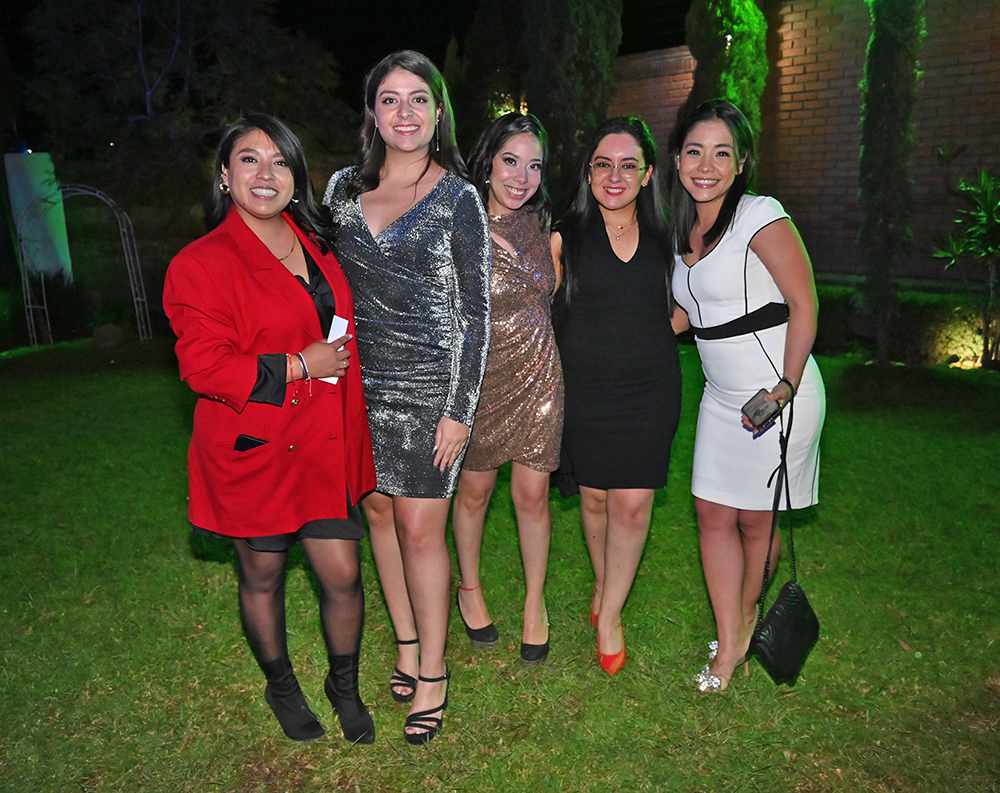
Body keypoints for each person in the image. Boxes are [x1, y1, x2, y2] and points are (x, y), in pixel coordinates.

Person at [163, 114, 377, 743]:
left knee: (343, 574)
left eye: (280, 161)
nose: (266, 173)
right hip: (256, 446)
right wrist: (297, 365)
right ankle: (281, 684)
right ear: (224, 176)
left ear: (295, 175)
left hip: (322, 443)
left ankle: (344, 684)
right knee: (262, 575)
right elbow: (203, 367)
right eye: (249, 160)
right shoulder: (200, 263)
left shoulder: (317, 242)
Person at [323, 51, 491, 744]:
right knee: (379, 516)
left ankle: (434, 671)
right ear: (372, 111)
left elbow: (476, 314)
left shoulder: (459, 197)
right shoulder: (340, 188)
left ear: (438, 110)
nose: (404, 112)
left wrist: (460, 410)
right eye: (389, 98)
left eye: (418, 98)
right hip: (358, 384)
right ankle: (404, 639)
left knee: (422, 527)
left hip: (430, 389)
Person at [666, 99, 826, 692]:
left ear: (741, 163)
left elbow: (804, 303)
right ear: (677, 160)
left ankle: (736, 636)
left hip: (777, 393)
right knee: (711, 513)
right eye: (694, 151)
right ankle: (732, 629)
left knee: (757, 522)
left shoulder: (760, 214)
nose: (705, 166)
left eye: (721, 153)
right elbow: (691, 314)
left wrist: (785, 386)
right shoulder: (681, 230)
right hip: (719, 397)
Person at [551, 117, 682, 676]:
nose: (615, 176)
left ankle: (609, 616)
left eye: (629, 165)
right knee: (595, 499)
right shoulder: (566, 237)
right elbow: (538, 313)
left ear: (648, 174)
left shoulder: (669, 238)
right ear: (588, 172)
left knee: (631, 502)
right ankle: (606, 586)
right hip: (583, 389)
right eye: (603, 164)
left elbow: (688, 308)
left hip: (649, 388)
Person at [451, 113, 563, 665]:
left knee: (533, 496)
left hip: (540, 375)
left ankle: (534, 603)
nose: (522, 178)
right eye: (511, 162)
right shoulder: (459, 224)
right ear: (488, 163)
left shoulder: (546, 225)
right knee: (474, 492)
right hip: (481, 379)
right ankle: (468, 588)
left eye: (534, 166)